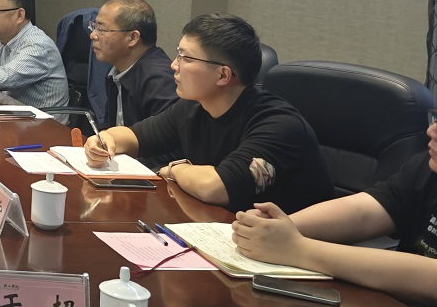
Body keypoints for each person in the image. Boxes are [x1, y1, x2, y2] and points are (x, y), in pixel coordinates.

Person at [84, 13, 332, 213]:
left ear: (223, 75)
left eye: (186, 58)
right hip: (224, 229)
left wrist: (174, 169)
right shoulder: (193, 107)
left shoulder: (278, 125)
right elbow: (134, 136)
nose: (174, 65)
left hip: (288, 249)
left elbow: (216, 187)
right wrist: (104, 141)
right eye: (178, 53)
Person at [232, 122, 437, 307]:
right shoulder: (426, 167)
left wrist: (297, 249)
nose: (431, 131)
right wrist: (276, 226)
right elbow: (364, 211)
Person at [91, 0, 177, 127]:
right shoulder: (118, 70)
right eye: (94, 27)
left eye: (101, 29)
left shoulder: (160, 81)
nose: (92, 35)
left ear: (132, 38)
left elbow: (160, 137)